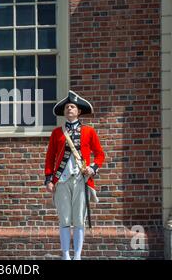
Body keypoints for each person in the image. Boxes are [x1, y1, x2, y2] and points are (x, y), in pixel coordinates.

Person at [44, 90, 105, 260]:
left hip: (81, 180)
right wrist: (49, 179)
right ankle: (65, 255)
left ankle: (77, 256)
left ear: (78, 111)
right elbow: (50, 158)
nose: (69, 109)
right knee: (64, 219)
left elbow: (100, 154)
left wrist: (92, 168)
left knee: (79, 219)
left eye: (72, 107)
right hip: (61, 181)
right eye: (67, 107)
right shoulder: (57, 133)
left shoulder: (89, 131)